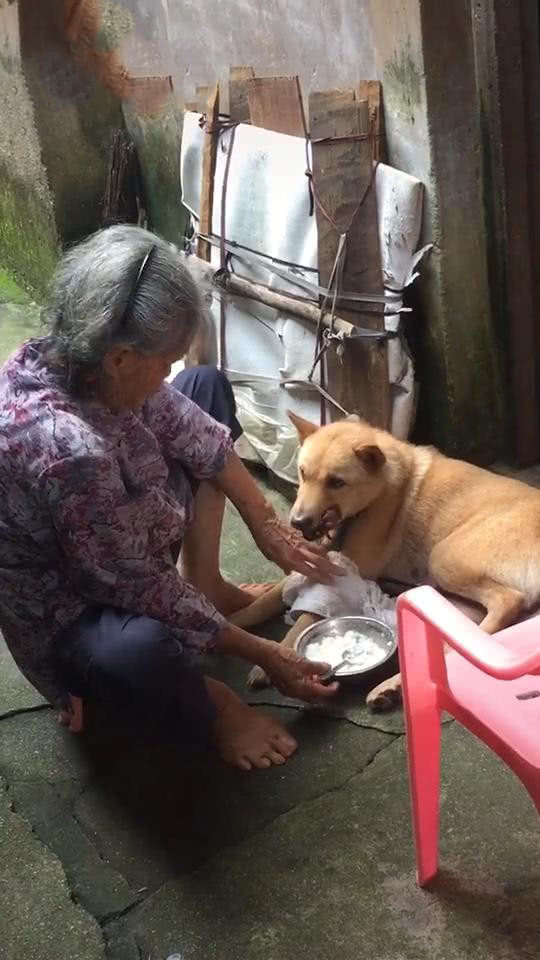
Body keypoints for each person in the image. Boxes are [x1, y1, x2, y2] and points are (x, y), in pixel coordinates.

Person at [0, 225, 341, 771]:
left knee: (205, 384)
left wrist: (264, 522)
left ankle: (207, 583)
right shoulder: (67, 450)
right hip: (75, 605)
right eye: (164, 362)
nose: (167, 374)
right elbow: (136, 585)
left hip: (127, 530)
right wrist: (265, 655)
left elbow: (194, 430)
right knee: (135, 654)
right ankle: (214, 705)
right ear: (120, 358)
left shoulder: (80, 360)